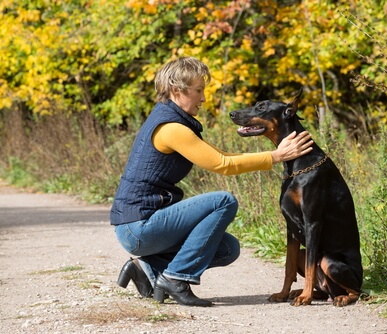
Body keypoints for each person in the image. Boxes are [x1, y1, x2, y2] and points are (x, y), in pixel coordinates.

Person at [111, 56, 313, 307]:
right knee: (223, 201)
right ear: (177, 91)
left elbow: (223, 156)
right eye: (198, 91)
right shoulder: (171, 128)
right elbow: (222, 165)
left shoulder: (172, 120)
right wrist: (276, 156)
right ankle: (175, 279)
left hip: (142, 224)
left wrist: (273, 156)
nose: (204, 98)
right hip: (138, 226)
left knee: (227, 248)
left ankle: (146, 268)